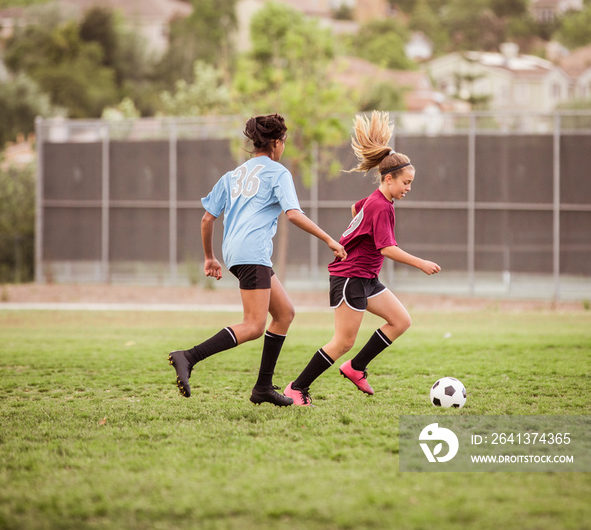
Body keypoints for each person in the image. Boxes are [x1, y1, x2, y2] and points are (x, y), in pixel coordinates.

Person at [168, 113, 346, 406]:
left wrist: (210, 257)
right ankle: (188, 357)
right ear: (276, 143)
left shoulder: (233, 175)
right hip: (252, 252)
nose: (284, 147)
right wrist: (328, 239)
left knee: (285, 313)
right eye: (284, 142)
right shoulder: (278, 173)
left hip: (236, 252)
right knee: (253, 326)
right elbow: (293, 214)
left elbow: (206, 218)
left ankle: (263, 387)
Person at [283, 111, 441, 406]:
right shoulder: (382, 207)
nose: (408, 188)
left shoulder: (376, 201)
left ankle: (355, 368)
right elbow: (387, 249)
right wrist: (421, 263)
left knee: (400, 321)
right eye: (405, 183)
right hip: (350, 276)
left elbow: (355, 208)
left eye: (411, 183)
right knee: (343, 341)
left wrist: (356, 239)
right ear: (389, 178)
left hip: (366, 276)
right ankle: (296, 388)